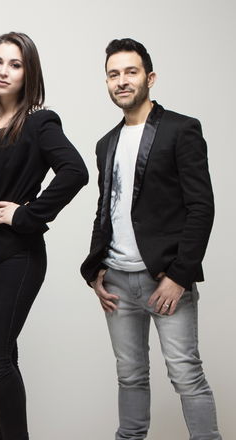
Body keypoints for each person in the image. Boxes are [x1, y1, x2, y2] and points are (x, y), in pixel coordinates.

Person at [0, 32, 88, 439]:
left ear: (28, 73)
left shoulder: (40, 122)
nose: (3, 71)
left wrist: (26, 214)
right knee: (1, 358)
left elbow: (75, 171)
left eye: (15, 64)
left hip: (16, 254)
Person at [80, 38, 222, 440]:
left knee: (186, 374)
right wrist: (95, 271)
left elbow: (201, 208)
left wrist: (179, 276)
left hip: (165, 278)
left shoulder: (181, 130)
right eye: (113, 74)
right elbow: (106, 210)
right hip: (117, 281)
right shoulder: (106, 143)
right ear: (107, 82)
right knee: (130, 376)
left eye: (131, 72)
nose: (122, 81)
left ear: (150, 78)